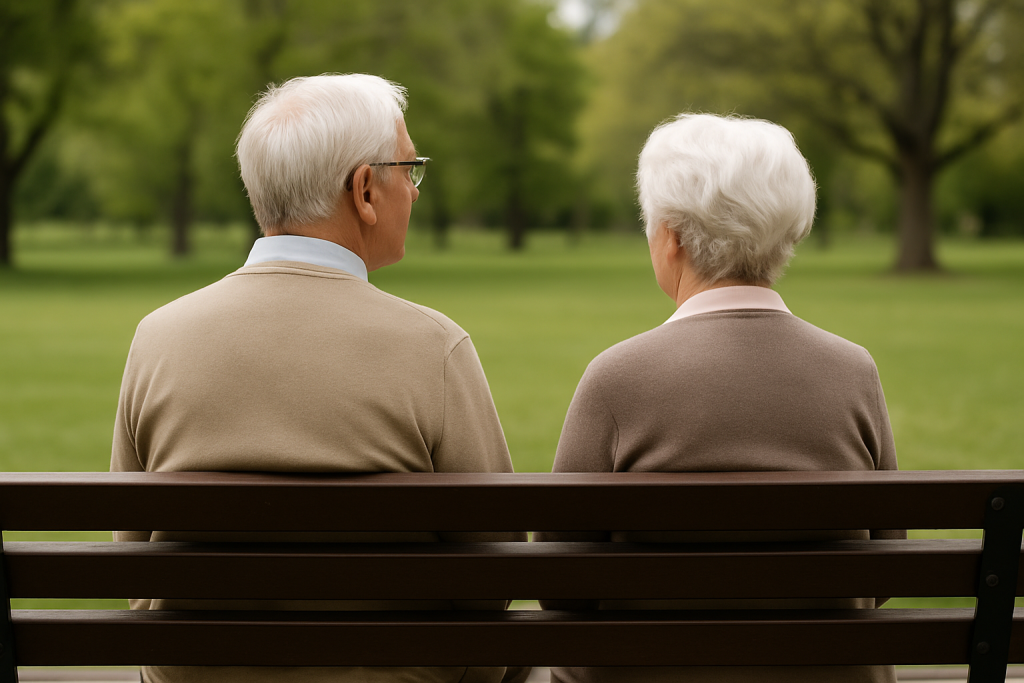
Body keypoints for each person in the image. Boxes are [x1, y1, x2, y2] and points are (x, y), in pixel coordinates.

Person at [111, 74, 527, 683]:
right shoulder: (434, 347)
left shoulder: (158, 337)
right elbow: (495, 574)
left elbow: (135, 568)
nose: (413, 191)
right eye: (409, 169)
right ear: (364, 189)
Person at [537, 113, 902, 683]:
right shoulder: (853, 371)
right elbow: (881, 572)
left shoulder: (616, 377)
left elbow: (561, 590)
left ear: (672, 238)